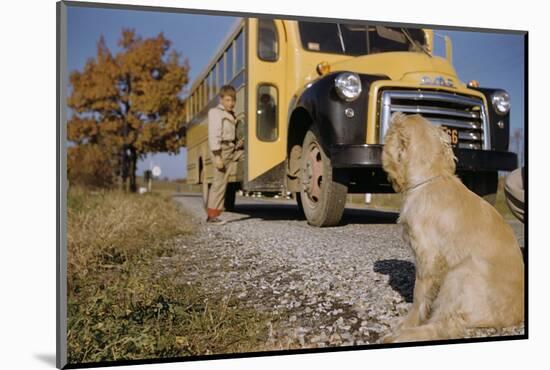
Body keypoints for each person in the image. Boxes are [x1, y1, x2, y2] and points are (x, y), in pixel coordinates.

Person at [205, 85, 244, 225]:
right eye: (227, 100)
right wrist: (217, 156)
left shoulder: (231, 114)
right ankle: (212, 215)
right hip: (221, 150)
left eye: (233, 100)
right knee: (219, 183)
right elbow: (214, 135)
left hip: (230, 148)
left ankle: (215, 213)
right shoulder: (215, 113)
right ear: (221, 99)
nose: (231, 103)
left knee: (223, 183)